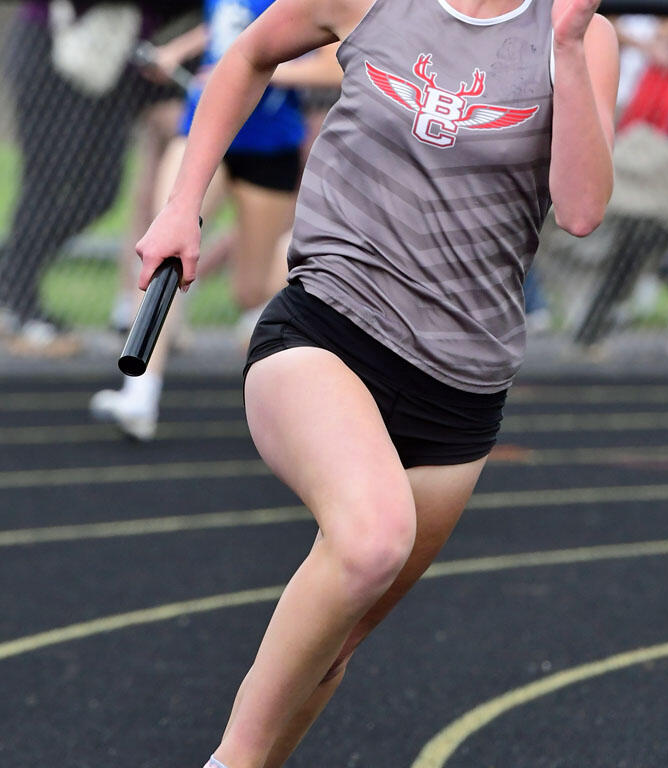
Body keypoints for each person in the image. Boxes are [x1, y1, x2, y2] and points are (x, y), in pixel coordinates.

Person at [135, 0, 618, 765]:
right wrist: (181, 207)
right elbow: (246, 57)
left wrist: (565, 42)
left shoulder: (582, 35)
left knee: (331, 648)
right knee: (370, 542)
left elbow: (584, 209)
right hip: (329, 327)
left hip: (462, 387)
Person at [89, 1, 341, 441]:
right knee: (163, 242)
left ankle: (319, 259)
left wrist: (257, 68)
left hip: (268, 146)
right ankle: (140, 391)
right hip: (204, 131)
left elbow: (333, 67)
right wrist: (176, 52)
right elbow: (223, 25)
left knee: (252, 290)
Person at [0, 0, 199, 356]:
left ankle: (10, 271)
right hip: (54, 47)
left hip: (114, 60)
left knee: (102, 191)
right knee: (44, 182)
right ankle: (18, 301)